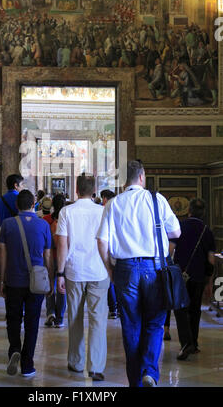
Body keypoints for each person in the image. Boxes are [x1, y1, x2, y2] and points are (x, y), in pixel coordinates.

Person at [97, 160, 181, 387]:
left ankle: (134, 380)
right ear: (142, 176)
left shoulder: (112, 204)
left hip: (125, 269)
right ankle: (150, 372)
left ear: (124, 179)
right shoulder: (157, 199)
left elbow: (102, 242)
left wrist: (109, 269)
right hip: (154, 268)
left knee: (131, 324)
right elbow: (176, 231)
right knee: (155, 322)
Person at [56, 173, 109, 382]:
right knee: (98, 320)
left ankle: (76, 362)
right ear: (94, 191)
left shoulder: (66, 212)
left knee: (75, 318)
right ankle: (96, 366)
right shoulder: (103, 211)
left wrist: (60, 273)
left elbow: (62, 244)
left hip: (74, 271)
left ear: (76, 190)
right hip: (99, 270)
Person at [0, 189, 53, 377]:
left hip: (13, 279)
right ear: (33, 205)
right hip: (36, 281)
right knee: (32, 322)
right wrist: (51, 279)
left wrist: (2, 278)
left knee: (13, 319)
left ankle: (14, 348)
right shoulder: (43, 225)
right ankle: (27, 364)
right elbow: (47, 256)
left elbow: (2, 254)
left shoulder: (7, 224)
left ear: (16, 205)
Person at [171, 198, 216, 361]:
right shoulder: (207, 231)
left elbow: (170, 250)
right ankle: (194, 344)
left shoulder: (179, 227)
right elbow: (211, 260)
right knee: (195, 309)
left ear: (188, 211)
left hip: (180, 274)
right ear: (203, 213)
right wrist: (209, 283)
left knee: (180, 309)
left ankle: (186, 343)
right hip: (198, 276)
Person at [43, 193, 67, 328]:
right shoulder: (67, 218)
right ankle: (60, 318)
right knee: (62, 287)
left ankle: (50, 312)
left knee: (50, 284)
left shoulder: (46, 219)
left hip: (50, 256)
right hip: (63, 256)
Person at [100, 189, 118, 319]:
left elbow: (101, 238)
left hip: (109, 250)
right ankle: (118, 308)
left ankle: (113, 308)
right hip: (120, 251)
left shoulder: (105, 209)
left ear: (105, 199)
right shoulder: (119, 206)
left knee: (110, 281)